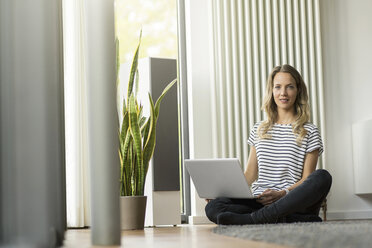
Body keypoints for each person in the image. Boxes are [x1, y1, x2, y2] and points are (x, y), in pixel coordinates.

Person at [205, 64, 332, 225]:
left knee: (322, 176)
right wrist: (220, 193)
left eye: (290, 87)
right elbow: (250, 174)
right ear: (271, 91)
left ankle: (257, 219)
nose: (283, 93)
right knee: (214, 206)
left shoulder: (310, 130)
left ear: (298, 90)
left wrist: (282, 193)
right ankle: (278, 218)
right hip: (259, 200)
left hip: (291, 200)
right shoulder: (259, 129)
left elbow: (307, 178)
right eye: (277, 87)